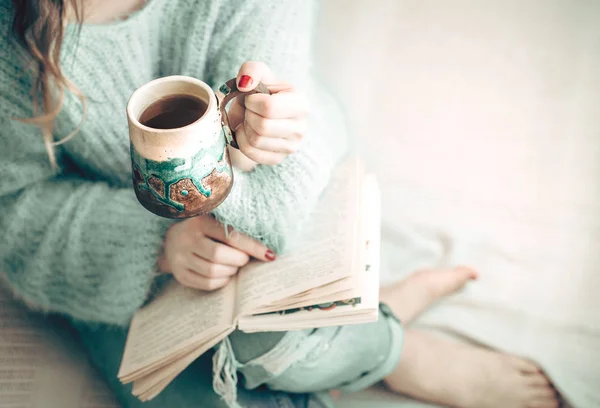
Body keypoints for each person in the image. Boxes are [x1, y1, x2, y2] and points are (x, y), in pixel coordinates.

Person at [0, 0, 560, 407]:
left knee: (269, 336)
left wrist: (252, 145)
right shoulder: (12, 39)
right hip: (125, 248)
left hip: (286, 182)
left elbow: (276, 207)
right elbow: (14, 213)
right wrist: (156, 245)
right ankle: (363, 322)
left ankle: (392, 349)